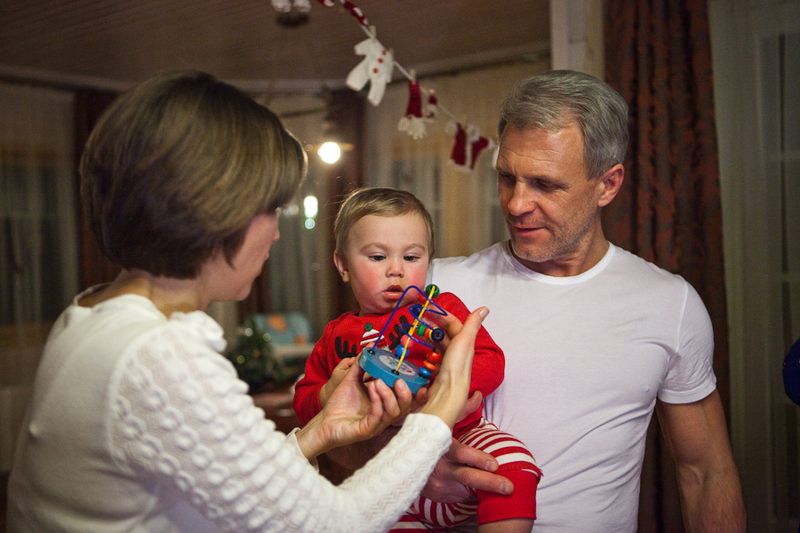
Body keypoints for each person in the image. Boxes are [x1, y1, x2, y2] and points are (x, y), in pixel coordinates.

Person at [5, 70, 489, 533]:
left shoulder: (88, 314)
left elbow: (220, 481)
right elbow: (335, 524)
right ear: (218, 214)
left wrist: (318, 433)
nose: (277, 233)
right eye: (270, 209)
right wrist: (440, 406)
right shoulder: (157, 357)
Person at [426, 70, 747, 532]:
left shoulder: (669, 304)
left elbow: (706, 472)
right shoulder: (439, 287)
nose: (516, 204)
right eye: (507, 178)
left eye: (545, 184)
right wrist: (411, 465)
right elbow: (343, 432)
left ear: (608, 184)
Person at [292, 187, 541, 532]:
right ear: (343, 265)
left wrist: (444, 389)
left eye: (411, 257)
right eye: (378, 257)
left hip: (462, 437)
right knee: (370, 517)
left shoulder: (441, 310)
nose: (396, 270)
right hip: (390, 468)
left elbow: (490, 359)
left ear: (429, 261)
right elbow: (303, 400)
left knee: (514, 468)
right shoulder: (335, 334)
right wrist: (325, 396)